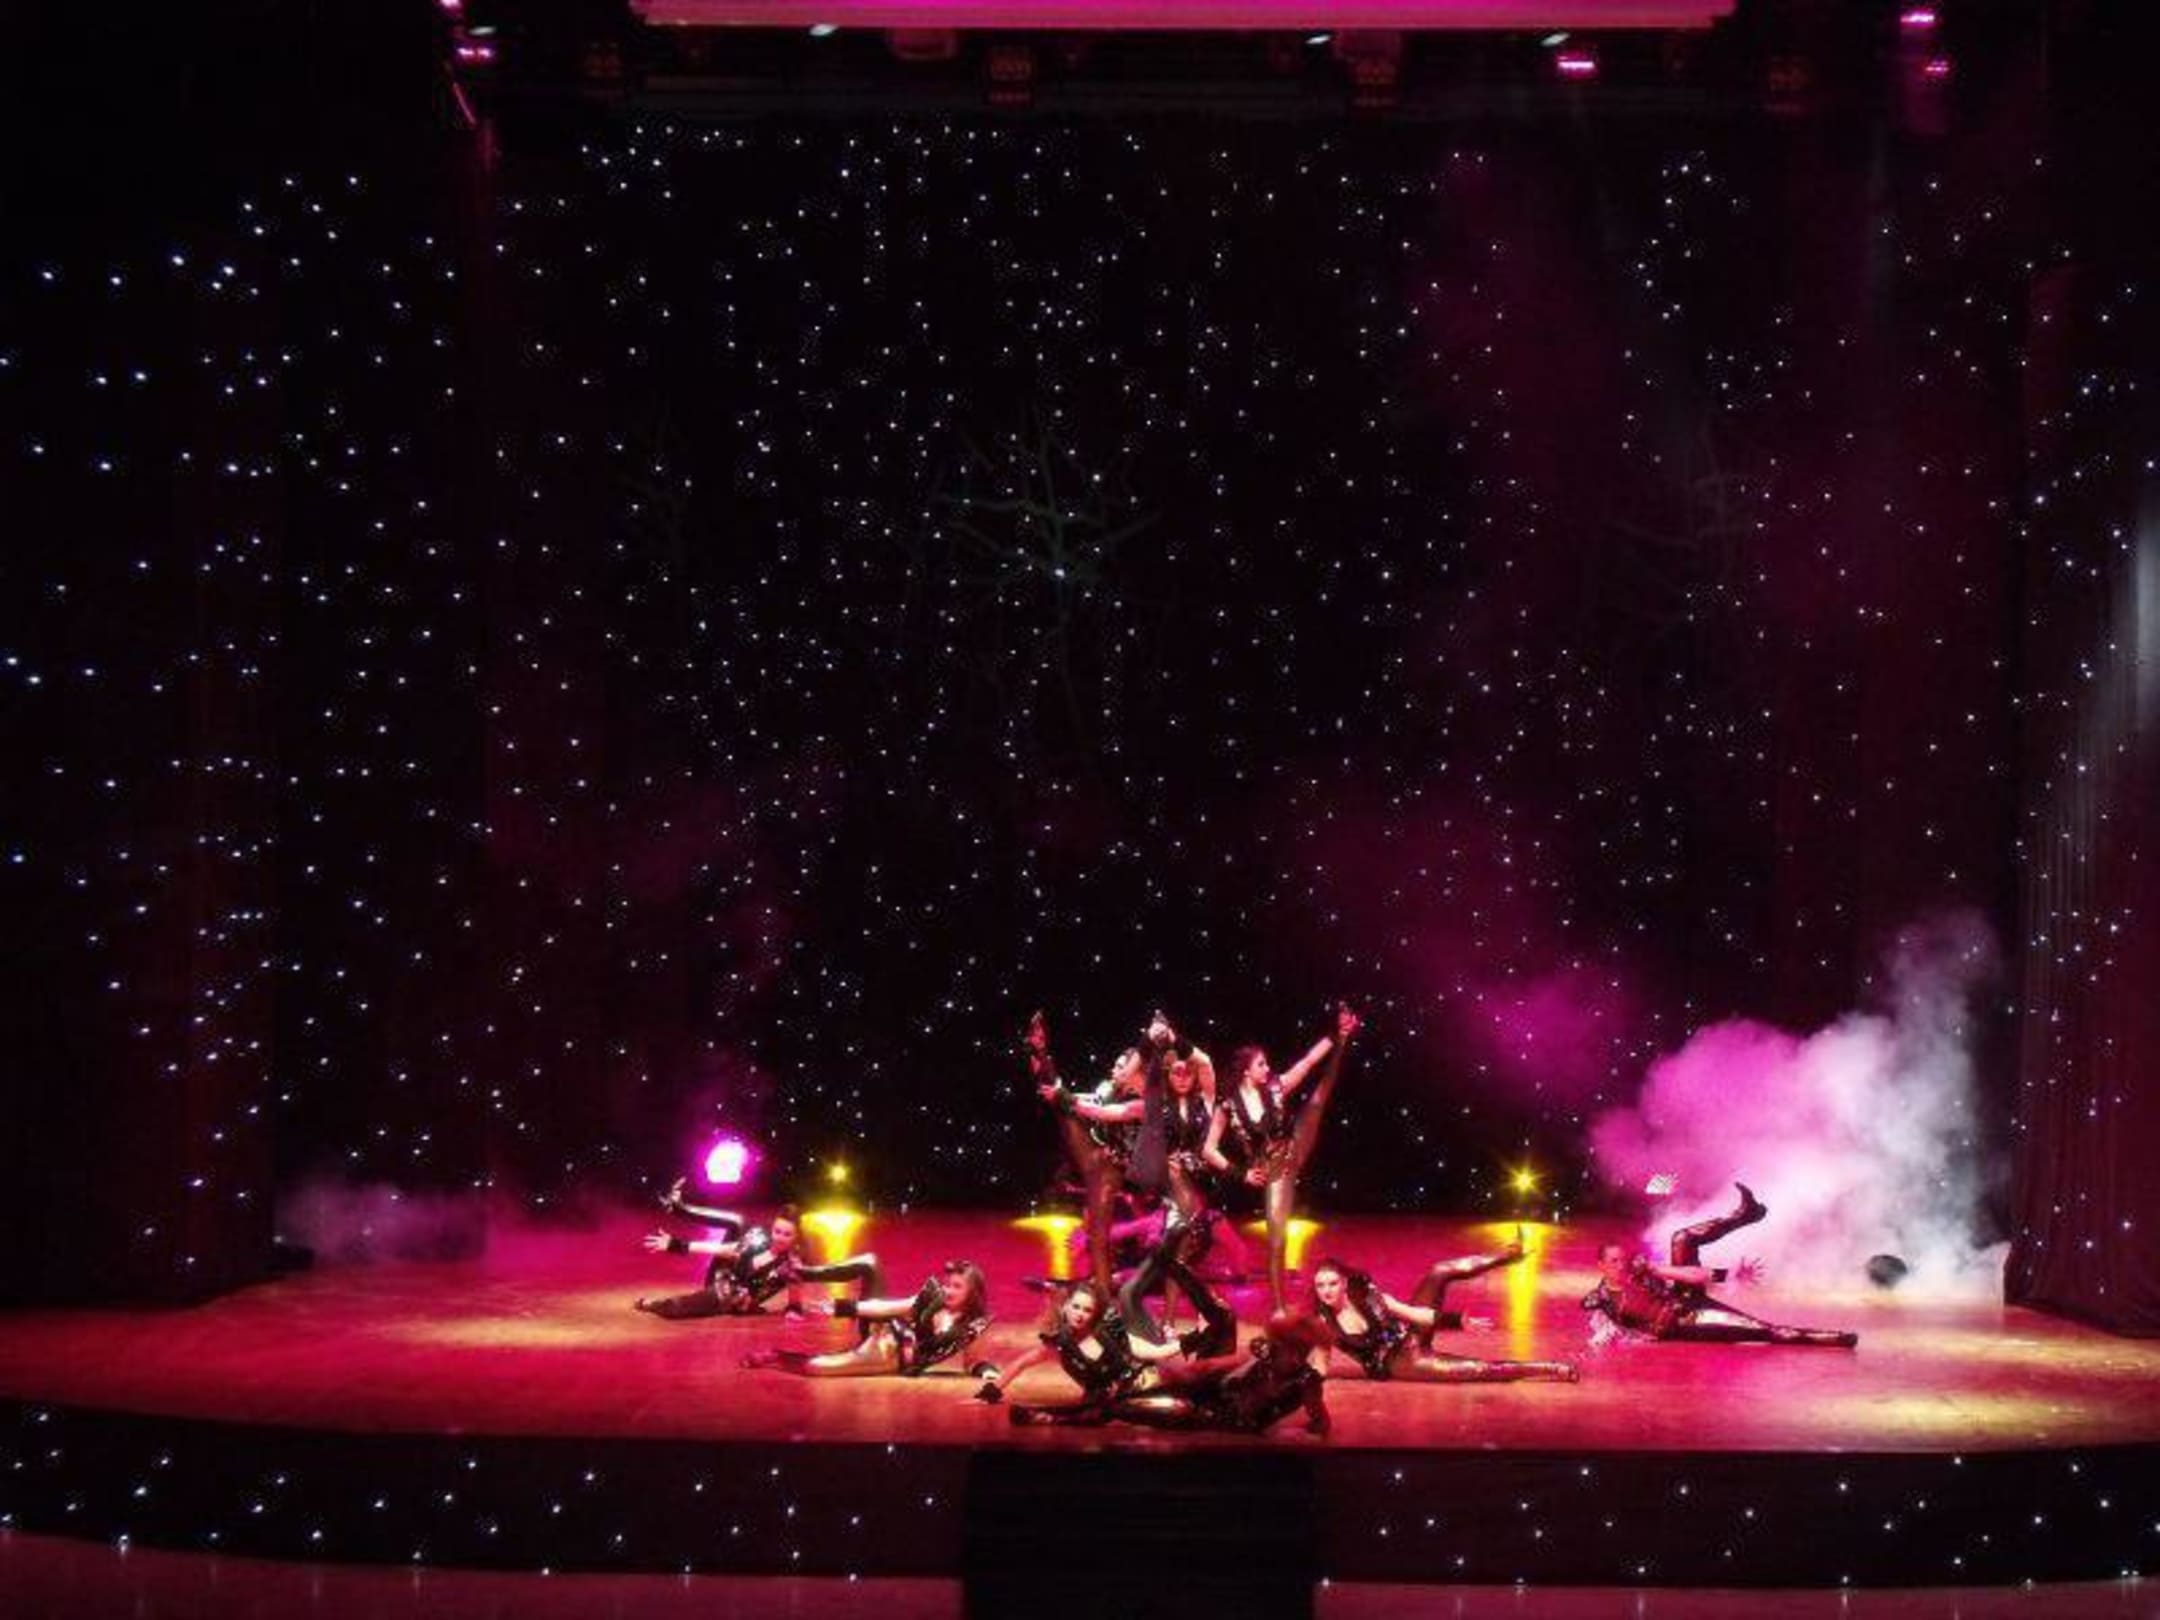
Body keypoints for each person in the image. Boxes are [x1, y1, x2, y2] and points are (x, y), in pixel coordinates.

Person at [1202, 1003, 1361, 1313]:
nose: (1267, 1068)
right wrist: (1240, 1173)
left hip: (1294, 1146)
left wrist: (1335, 1033)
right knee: (1277, 1240)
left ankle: (1344, 1039)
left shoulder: (1276, 1087)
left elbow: (1309, 1061)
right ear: (1246, 1071)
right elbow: (1208, 1149)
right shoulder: (1228, 1106)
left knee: (1318, 1097)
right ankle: (1279, 1307)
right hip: (1274, 1171)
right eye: (1261, 1064)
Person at [1582, 1183, 1858, 1348]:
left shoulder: (1639, 1270)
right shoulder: (1601, 1300)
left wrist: (1729, 1275)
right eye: (1614, 1261)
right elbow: (1608, 1334)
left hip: (1685, 1300)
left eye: (1622, 1258)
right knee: (1769, 1331)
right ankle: (1836, 1338)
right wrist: (1633, 1336)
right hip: (1687, 1323)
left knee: (1682, 1238)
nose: (1621, 1264)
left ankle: (1745, 1214)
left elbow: (1689, 1276)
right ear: (1601, 1266)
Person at [1003, 1312, 1334, 1436]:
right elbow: (1213, 1367)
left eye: (1282, 1343)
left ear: (1297, 1349)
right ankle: (1048, 1413)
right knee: (1125, 1394)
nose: (1275, 1347)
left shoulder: (1307, 1381)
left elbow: (1320, 1422)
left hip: (1212, 1417)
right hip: (1208, 1395)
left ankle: (1049, 1417)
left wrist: (1298, 1431)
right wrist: (1183, 1373)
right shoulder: (1266, 1351)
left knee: (1124, 1408)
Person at [1309, 1242, 1577, 1383]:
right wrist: (1306, 1382)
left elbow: (1417, 1316)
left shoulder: (1369, 1296)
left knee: (1439, 1271)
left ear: (1344, 1283)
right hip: (1400, 1363)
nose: (1326, 1290)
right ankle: (1552, 1368)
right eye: (1320, 1285)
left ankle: (1508, 1255)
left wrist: (1457, 1321)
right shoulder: (1322, 1322)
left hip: (1410, 1335)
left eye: (1332, 1283)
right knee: (1478, 1370)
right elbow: (1320, 1363)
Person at [974, 1277, 1232, 1423]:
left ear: (1094, 1314)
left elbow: (1152, 1352)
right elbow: (1022, 1363)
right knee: (1176, 1410)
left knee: (1197, 1376)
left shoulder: (1109, 1333)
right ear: (1065, 1307)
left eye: (1087, 1310)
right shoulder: (1059, 1343)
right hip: (1113, 1402)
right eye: (1076, 1307)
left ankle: (1228, 1365)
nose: (1080, 1314)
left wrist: (1193, 1337)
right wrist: (993, 1389)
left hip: (1145, 1382)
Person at [740, 1258, 996, 1379]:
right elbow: (886, 1307)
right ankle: (802, 1272)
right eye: (948, 1284)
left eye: (957, 1287)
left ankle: (775, 1357)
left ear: (972, 1292)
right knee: (870, 1264)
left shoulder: (971, 1326)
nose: (948, 1290)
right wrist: (842, 1307)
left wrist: (987, 1372)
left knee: (817, 1368)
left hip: (887, 1356)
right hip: (882, 1330)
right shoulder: (933, 1298)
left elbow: (973, 1362)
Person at [634, 1186, 823, 1319]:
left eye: (787, 1234)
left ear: (796, 1237)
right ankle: (678, 1208)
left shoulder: (792, 1264)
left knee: (677, 1308)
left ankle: (652, 1304)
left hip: (731, 1298)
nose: (779, 1237)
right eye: (777, 1231)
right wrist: (677, 1245)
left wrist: (793, 1310)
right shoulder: (760, 1239)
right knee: (737, 1222)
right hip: (723, 1276)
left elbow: (794, 1302)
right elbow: (724, 1250)